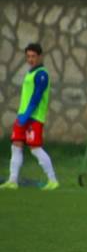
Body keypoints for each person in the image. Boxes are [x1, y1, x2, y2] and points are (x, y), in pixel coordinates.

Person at [1, 43, 59, 191]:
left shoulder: (42, 74)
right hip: (23, 115)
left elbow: (37, 96)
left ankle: (52, 180)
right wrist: (22, 114)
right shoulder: (30, 72)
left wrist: (27, 114)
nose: (30, 59)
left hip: (34, 117)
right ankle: (12, 180)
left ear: (40, 56)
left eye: (33, 56)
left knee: (35, 148)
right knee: (16, 146)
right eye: (28, 56)